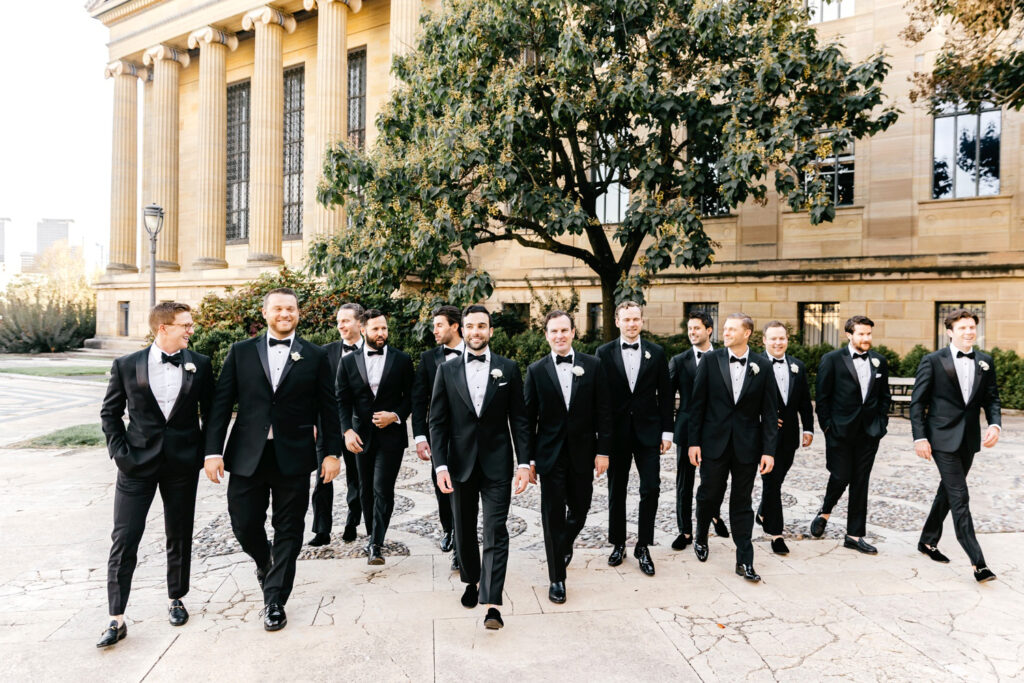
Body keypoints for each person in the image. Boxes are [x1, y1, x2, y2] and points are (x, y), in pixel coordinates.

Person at [204, 287, 341, 632]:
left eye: (291, 308)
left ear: (298, 313)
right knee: (243, 523)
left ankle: (275, 600)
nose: (285, 314)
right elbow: (221, 405)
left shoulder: (315, 355)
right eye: (278, 308)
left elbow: (328, 408)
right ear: (265, 313)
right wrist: (212, 451)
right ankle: (264, 559)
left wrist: (331, 453)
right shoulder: (240, 352)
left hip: (293, 455)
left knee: (290, 529)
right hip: (248, 455)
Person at [97, 303, 214, 648]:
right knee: (125, 537)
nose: (191, 330)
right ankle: (115, 617)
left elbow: (211, 413)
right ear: (163, 328)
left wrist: (205, 452)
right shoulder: (126, 364)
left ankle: (176, 597)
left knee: (179, 533)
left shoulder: (200, 364)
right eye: (185, 325)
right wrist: (120, 454)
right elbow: (110, 414)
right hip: (136, 465)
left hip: (181, 465)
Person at [430, 305, 531, 630]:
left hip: (497, 464)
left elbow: (519, 419)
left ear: (490, 330)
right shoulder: (447, 370)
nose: (476, 332)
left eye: (482, 326)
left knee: (495, 530)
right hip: (459, 464)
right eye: (471, 326)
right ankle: (472, 581)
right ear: (463, 329)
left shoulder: (509, 369)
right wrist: (440, 465)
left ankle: (492, 603)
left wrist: (524, 463)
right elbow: (438, 422)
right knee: (463, 529)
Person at [525, 310, 612, 604]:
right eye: (554, 331)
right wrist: (529, 460)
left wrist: (603, 451)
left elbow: (604, 410)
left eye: (564, 330)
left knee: (581, 508)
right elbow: (527, 420)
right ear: (546, 335)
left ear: (573, 332)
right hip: (549, 456)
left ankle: (564, 543)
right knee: (552, 516)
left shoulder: (594, 365)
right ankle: (557, 578)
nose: (559, 336)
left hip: (583, 453)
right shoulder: (536, 371)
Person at [911, 308, 1001, 582]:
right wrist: (920, 437)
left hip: (969, 440)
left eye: (972, 327)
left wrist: (995, 424)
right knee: (960, 497)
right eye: (962, 328)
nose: (969, 332)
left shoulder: (985, 361)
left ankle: (927, 540)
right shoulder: (933, 361)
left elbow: (992, 399)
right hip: (941, 439)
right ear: (950, 331)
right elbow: (918, 403)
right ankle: (979, 563)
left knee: (948, 492)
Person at [689, 313, 777, 582]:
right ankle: (701, 534)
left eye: (731, 329)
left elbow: (770, 413)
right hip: (714, 444)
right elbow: (697, 405)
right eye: (724, 329)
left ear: (747, 333)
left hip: (747, 447)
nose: (725, 333)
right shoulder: (710, 361)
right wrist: (694, 442)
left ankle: (744, 560)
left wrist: (769, 450)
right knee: (708, 494)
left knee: (742, 503)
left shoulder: (763, 365)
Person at [595, 302, 673, 576]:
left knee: (651, 487)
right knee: (617, 490)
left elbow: (665, 395)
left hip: (648, 432)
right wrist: (601, 438)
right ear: (617, 321)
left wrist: (667, 432)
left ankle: (643, 545)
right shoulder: (603, 353)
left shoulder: (657, 352)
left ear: (641, 321)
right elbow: (600, 400)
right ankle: (618, 543)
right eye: (626, 319)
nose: (632, 324)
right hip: (616, 434)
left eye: (636, 319)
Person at [336, 308, 414, 565]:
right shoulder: (348, 362)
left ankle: (375, 544)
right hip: (360, 436)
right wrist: (347, 430)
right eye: (376, 329)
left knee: (382, 487)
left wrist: (395, 415)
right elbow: (342, 400)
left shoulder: (402, 360)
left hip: (391, 437)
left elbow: (412, 398)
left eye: (384, 329)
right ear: (363, 330)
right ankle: (372, 535)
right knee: (365, 490)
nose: (381, 334)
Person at [810, 315, 891, 554]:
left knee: (860, 482)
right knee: (841, 475)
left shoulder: (879, 361)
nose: (866, 338)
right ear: (849, 335)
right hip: (840, 431)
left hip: (869, 432)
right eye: (861, 334)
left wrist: (881, 424)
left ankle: (854, 536)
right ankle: (825, 510)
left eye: (869, 334)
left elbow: (884, 396)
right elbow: (822, 398)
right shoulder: (832, 360)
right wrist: (827, 428)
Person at [668, 310, 729, 551]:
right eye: (690, 329)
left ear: (709, 330)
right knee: (685, 482)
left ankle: (713, 514)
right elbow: (665, 398)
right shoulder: (679, 361)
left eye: (696, 328)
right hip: (686, 429)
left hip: (716, 430)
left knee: (714, 480)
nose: (692, 332)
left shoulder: (724, 357)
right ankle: (685, 531)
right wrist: (665, 430)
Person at [309, 302, 367, 547]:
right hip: (327, 424)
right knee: (323, 477)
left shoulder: (371, 351)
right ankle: (321, 530)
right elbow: (312, 391)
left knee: (357, 479)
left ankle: (352, 523)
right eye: (338, 321)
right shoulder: (325, 353)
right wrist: (312, 422)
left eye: (345, 320)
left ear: (359, 323)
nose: (340, 325)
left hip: (357, 427)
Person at [411, 305, 464, 570]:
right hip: (439, 435)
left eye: (440, 325)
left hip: (469, 437)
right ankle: (449, 529)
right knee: (442, 486)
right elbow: (419, 401)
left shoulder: (478, 354)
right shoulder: (428, 358)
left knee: (466, 489)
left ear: (455, 326)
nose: (435, 331)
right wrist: (420, 437)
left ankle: (462, 540)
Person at [757, 321, 813, 554]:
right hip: (762, 436)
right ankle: (776, 533)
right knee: (771, 481)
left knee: (777, 479)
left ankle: (762, 511)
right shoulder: (755, 364)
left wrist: (808, 429)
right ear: (764, 341)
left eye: (782, 338)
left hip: (789, 435)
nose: (778, 343)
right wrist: (762, 418)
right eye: (773, 338)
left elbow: (804, 401)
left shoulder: (797, 366)